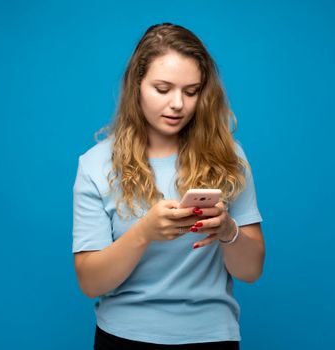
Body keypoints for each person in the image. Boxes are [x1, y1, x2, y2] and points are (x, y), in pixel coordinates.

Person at [72, 23, 265, 349]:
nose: (178, 104)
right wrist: (145, 231)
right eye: (163, 89)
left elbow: (251, 270)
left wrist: (228, 230)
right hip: (123, 338)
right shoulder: (94, 164)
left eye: (191, 91)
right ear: (137, 86)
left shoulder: (229, 156)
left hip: (212, 336)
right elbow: (90, 282)